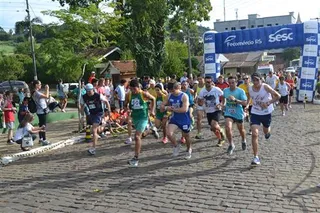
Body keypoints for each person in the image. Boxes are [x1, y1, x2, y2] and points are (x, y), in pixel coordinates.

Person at [247, 72, 280, 165]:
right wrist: (246, 106)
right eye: (254, 80)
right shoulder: (250, 88)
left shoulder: (265, 87)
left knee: (266, 130)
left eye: (257, 80)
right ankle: (256, 157)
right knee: (254, 134)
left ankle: (267, 132)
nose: (256, 82)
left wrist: (268, 103)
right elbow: (249, 99)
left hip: (266, 113)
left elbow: (278, 96)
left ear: (261, 80)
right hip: (255, 113)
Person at [125, 79, 156, 167]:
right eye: (131, 89)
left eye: (135, 89)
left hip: (143, 117)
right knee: (139, 137)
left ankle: (136, 158)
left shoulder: (143, 93)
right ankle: (150, 131)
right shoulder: (129, 94)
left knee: (137, 137)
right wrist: (126, 108)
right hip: (135, 117)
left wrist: (152, 111)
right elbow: (125, 103)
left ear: (138, 87)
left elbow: (153, 99)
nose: (133, 91)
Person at [161, 82, 192, 159]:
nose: (171, 93)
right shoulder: (169, 96)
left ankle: (189, 149)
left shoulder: (184, 96)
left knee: (186, 136)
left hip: (184, 119)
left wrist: (173, 109)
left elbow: (184, 109)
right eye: (170, 91)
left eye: (172, 91)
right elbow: (162, 106)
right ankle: (176, 146)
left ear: (176, 88)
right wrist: (165, 107)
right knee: (169, 133)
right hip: (175, 118)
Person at [80, 83, 110, 155]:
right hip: (92, 114)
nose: (88, 93)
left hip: (98, 113)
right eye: (87, 91)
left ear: (93, 89)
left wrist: (109, 110)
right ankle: (103, 124)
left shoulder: (98, 95)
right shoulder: (84, 97)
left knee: (94, 130)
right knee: (98, 130)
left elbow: (106, 101)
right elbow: (82, 105)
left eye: (90, 91)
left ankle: (93, 148)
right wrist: (82, 114)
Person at [222, 76, 248, 155]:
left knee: (241, 129)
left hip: (238, 113)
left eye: (233, 83)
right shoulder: (225, 90)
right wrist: (222, 105)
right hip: (228, 112)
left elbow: (245, 103)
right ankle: (231, 144)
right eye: (229, 83)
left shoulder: (240, 91)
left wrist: (235, 100)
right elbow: (223, 99)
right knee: (227, 128)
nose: (231, 84)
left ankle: (243, 140)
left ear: (236, 83)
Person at [198, 76, 225, 147]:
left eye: (209, 82)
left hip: (217, 110)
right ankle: (221, 134)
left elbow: (223, 96)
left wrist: (221, 104)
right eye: (206, 82)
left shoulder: (216, 89)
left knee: (214, 124)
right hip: (208, 111)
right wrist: (200, 102)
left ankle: (221, 138)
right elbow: (199, 102)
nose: (208, 83)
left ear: (212, 82)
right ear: (204, 82)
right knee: (213, 128)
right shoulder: (202, 91)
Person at [32, 80, 50, 146]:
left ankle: (41, 138)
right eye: (39, 84)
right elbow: (47, 96)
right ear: (36, 85)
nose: (40, 85)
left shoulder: (36, 92)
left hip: (40, 111)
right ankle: (44, 139)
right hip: (41, 111)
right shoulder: (36, 93)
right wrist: (47, 89)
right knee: (43, 125)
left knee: (41, 125)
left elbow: (45, 95)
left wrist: (46, 91)